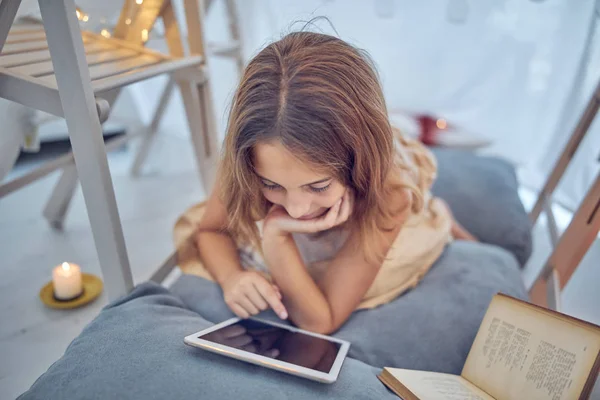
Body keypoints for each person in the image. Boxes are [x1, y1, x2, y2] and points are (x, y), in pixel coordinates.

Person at [191, 31, 476, 335]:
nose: (297, 211)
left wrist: (276, 237)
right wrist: (232, 277)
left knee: (423, 215)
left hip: (379, 202)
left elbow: (318, 322)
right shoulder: (253, 150)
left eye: (317, 186)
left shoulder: (391, 194)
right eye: (271, 184)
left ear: (357, 166)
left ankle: (438, 213)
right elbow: (209, 230)